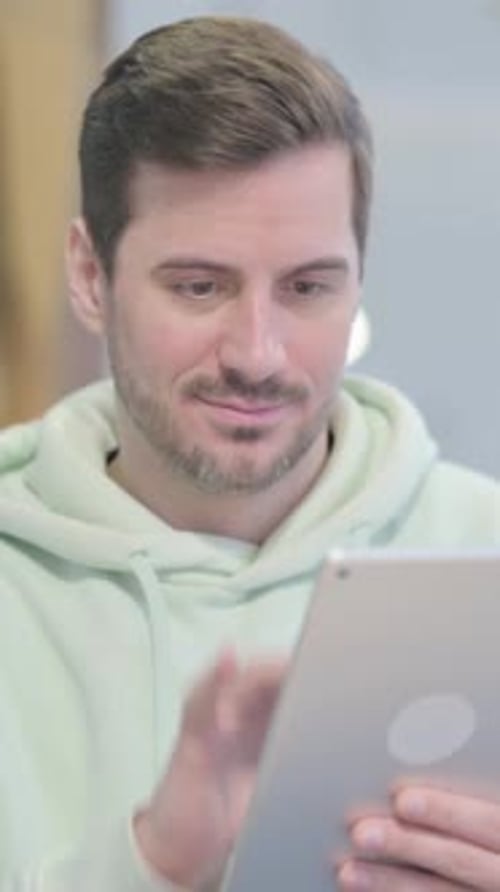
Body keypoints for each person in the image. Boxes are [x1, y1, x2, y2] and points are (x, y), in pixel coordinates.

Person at [0, 14, 498, 892]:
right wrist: (153, 864)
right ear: (89, 274)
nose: (257, 353)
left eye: (308, 287)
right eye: (200, 286)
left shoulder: (482, 550)